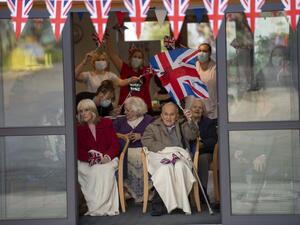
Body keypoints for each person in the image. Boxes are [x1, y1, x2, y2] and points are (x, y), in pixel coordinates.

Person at [141, 102, 198, 216]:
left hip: (179, 157)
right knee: (165, 168)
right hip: (161, 156)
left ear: (177, 115)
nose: (168, 117)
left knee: (180, 166)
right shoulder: (153, 126)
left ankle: (181, 203)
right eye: (166, 114)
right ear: (161, 115)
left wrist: (190, 121)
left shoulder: (182, 124)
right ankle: (163, 203)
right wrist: (167, 150)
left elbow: (192, 136)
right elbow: (146, 141)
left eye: (172, 114)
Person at [77, 99, 120, 216]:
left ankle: (105, 206)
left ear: (93, 111)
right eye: (81, 111)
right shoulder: (78, 128)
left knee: (105, 170)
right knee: (94, 170)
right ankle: (95, 206)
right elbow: (78, 150)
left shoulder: (106, 123)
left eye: (86, 110)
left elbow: (114, 144)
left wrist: (107, 156)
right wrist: (93, 159)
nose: (83, 113)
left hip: (107, 159)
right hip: (87, 160)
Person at [113, 97, 154, 203]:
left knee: (141, 156)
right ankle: (128, 190)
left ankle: (147, 191)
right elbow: (112, 137)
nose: (125, 112)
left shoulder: (149, 120)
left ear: (137, 110)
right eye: (125, 110)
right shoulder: (119, 121)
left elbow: (155, 135)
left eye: (128, 110)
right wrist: (124, 137)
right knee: (129, 156)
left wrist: (141, 136)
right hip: (125, 151)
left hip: (144, 149)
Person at [106, 30, 153, 111]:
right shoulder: (124, 68)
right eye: (135, 56)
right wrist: (107, 38)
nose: (137, 59)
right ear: (130, 58)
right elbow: (112, 55)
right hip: (125, 108)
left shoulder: (148, 70)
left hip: (144, 108)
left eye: (139, 57)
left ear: (143, 60)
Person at [185, 97, 218, 204]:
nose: (197, 109)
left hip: (205, 152)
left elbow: (214, 140)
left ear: (203, 111)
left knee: (202, 159)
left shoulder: (208, 123)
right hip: (188, 153)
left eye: (200, 108)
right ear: (190, 109)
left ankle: (201, 190)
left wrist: (202, 143)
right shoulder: (183, 122)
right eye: (194, 107)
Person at [75, 50, 139, 92]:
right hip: (93, 105)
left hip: (106, 105)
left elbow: (121, 82)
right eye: (98, 60)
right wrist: (84, 61)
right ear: (93, 63)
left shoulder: (110, 75)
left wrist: (130, 79)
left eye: (103, 59)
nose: (101, 61)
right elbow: (74, 76)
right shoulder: (88, 75)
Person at [196, 43, 217, 124]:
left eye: (204, 51)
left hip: (211, 112)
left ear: (210, 53)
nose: (201, 53)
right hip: (194, 112)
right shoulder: (193, 66)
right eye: (199, 51)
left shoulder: (216, 68)